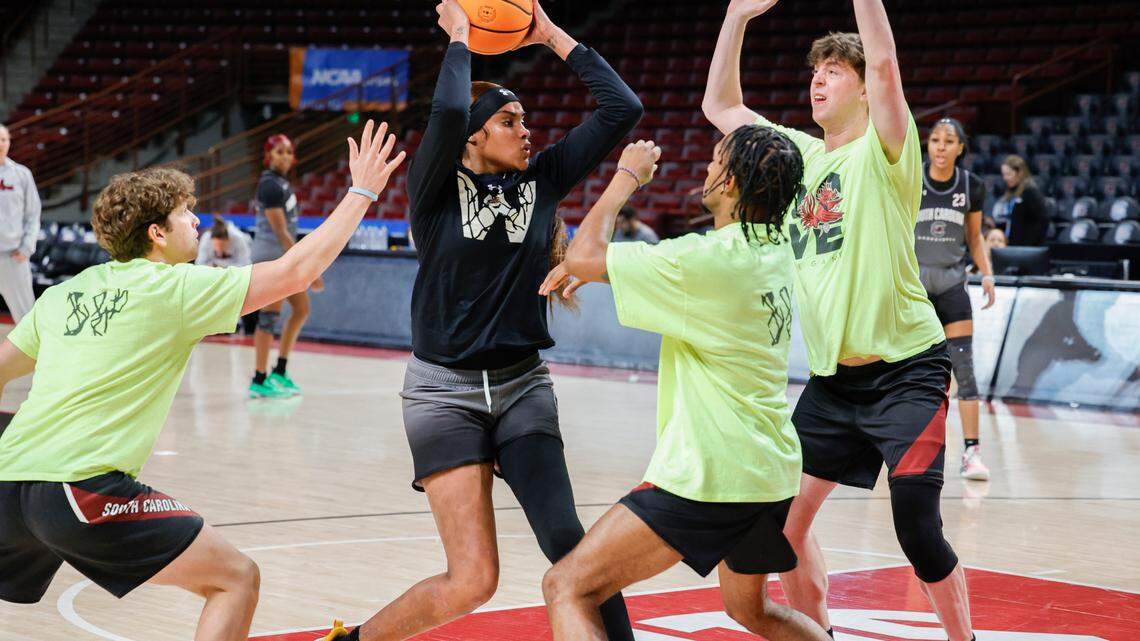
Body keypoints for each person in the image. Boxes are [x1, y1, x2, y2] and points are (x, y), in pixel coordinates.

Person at [0, 122, 404, 640]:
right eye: (185, 213)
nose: (196, 220)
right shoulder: (176, 288)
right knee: (235, 579)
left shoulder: (64, 292)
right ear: (157, 234)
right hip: (81, 486)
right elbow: (297, 270)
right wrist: (363, 191)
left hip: (11, 485)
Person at [317, 2, 642, 641]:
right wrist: (462, 40)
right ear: (473, 136)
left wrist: (551, 35)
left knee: (568, 544)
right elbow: (442, 112)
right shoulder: (433, 189)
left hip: (522, 387)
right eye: (510, 120)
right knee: (473, 580)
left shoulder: (543, 179)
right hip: (444, 394)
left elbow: (621, 109)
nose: (528, 131)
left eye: (526, 120)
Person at [703, 1, 975, 640]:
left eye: (834, 70)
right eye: (815, 70)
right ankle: (818, 636)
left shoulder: (888, 148)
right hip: (833, 384)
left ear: (861, 89)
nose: (818, 79)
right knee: (781, 527)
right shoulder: (794, 155)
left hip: (908, 370)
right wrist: (738, 16)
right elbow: (720, 108)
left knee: (916, 525)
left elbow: (884, 61)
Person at [539, 130, 829, 641]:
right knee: (753, 611)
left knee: (568, 586)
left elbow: (585, 253)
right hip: (770, 470)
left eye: (715, 161)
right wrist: (616, 274)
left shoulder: (706, 261)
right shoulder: (778, 247)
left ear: (733, 182)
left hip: (712, 475)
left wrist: (626, 176)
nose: (705, 171)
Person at [915, 118, 995, 481]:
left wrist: (988, 273)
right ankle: (896, 448)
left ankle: (971, 453)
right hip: (912, 291)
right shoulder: (910, 178)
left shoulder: (971, 186)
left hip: (951, 287)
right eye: (935, 140)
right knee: (903, 374)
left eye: (949, 141)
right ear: (927, 145)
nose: (941, 146)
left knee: (964, 372)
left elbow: (975, 237)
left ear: (961, 147)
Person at [249, 133, 321, 399]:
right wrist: (305, 266)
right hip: (272, 256)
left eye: (289, 152)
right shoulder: (268, 184)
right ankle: (259, 378)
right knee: (269, 318)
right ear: (268, 156)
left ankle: (279, 370)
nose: (286, 156)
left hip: (284, 256)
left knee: (301, 309)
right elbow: (281, 232)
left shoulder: (281, 183)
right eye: (279, 152)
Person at [0, 124, 41, 322]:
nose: (0, 144)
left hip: (13, 257)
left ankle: (34, 354)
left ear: (9, 142)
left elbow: (33, 215)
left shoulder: (22, 174)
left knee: (26, 318)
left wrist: (27, 247)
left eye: (3, 139)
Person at [996, 155, 1048, 246]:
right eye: (1003, 174)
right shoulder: (1012, 191)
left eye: (1008, 174)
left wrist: (1030, 245)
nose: (1005, 178)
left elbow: (1043, 220)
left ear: (1019, 173)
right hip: (1012, 245)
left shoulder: (1030, 192)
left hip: (1026, 249)